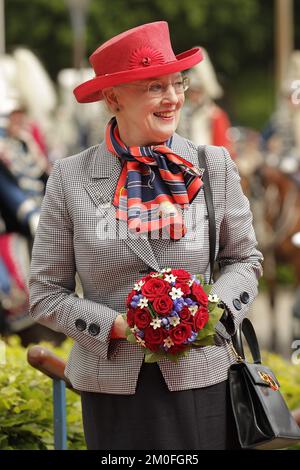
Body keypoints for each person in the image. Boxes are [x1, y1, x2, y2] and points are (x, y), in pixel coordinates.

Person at [28, 21, 263, 450]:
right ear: (113, 97)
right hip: (113, 388)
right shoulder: (69, 177)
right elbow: (45, 292)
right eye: (155, 87)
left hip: (205, 376)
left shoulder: (214, 164)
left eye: (177, 83)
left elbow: (244, 260)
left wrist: (206, 312)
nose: (173, 98)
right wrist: (115, 326)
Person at [177, 47, 232, 154]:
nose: (193, 95)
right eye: (191, 91)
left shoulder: (216, 115)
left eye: (197, 91)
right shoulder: (181, 112)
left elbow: (223, 149)